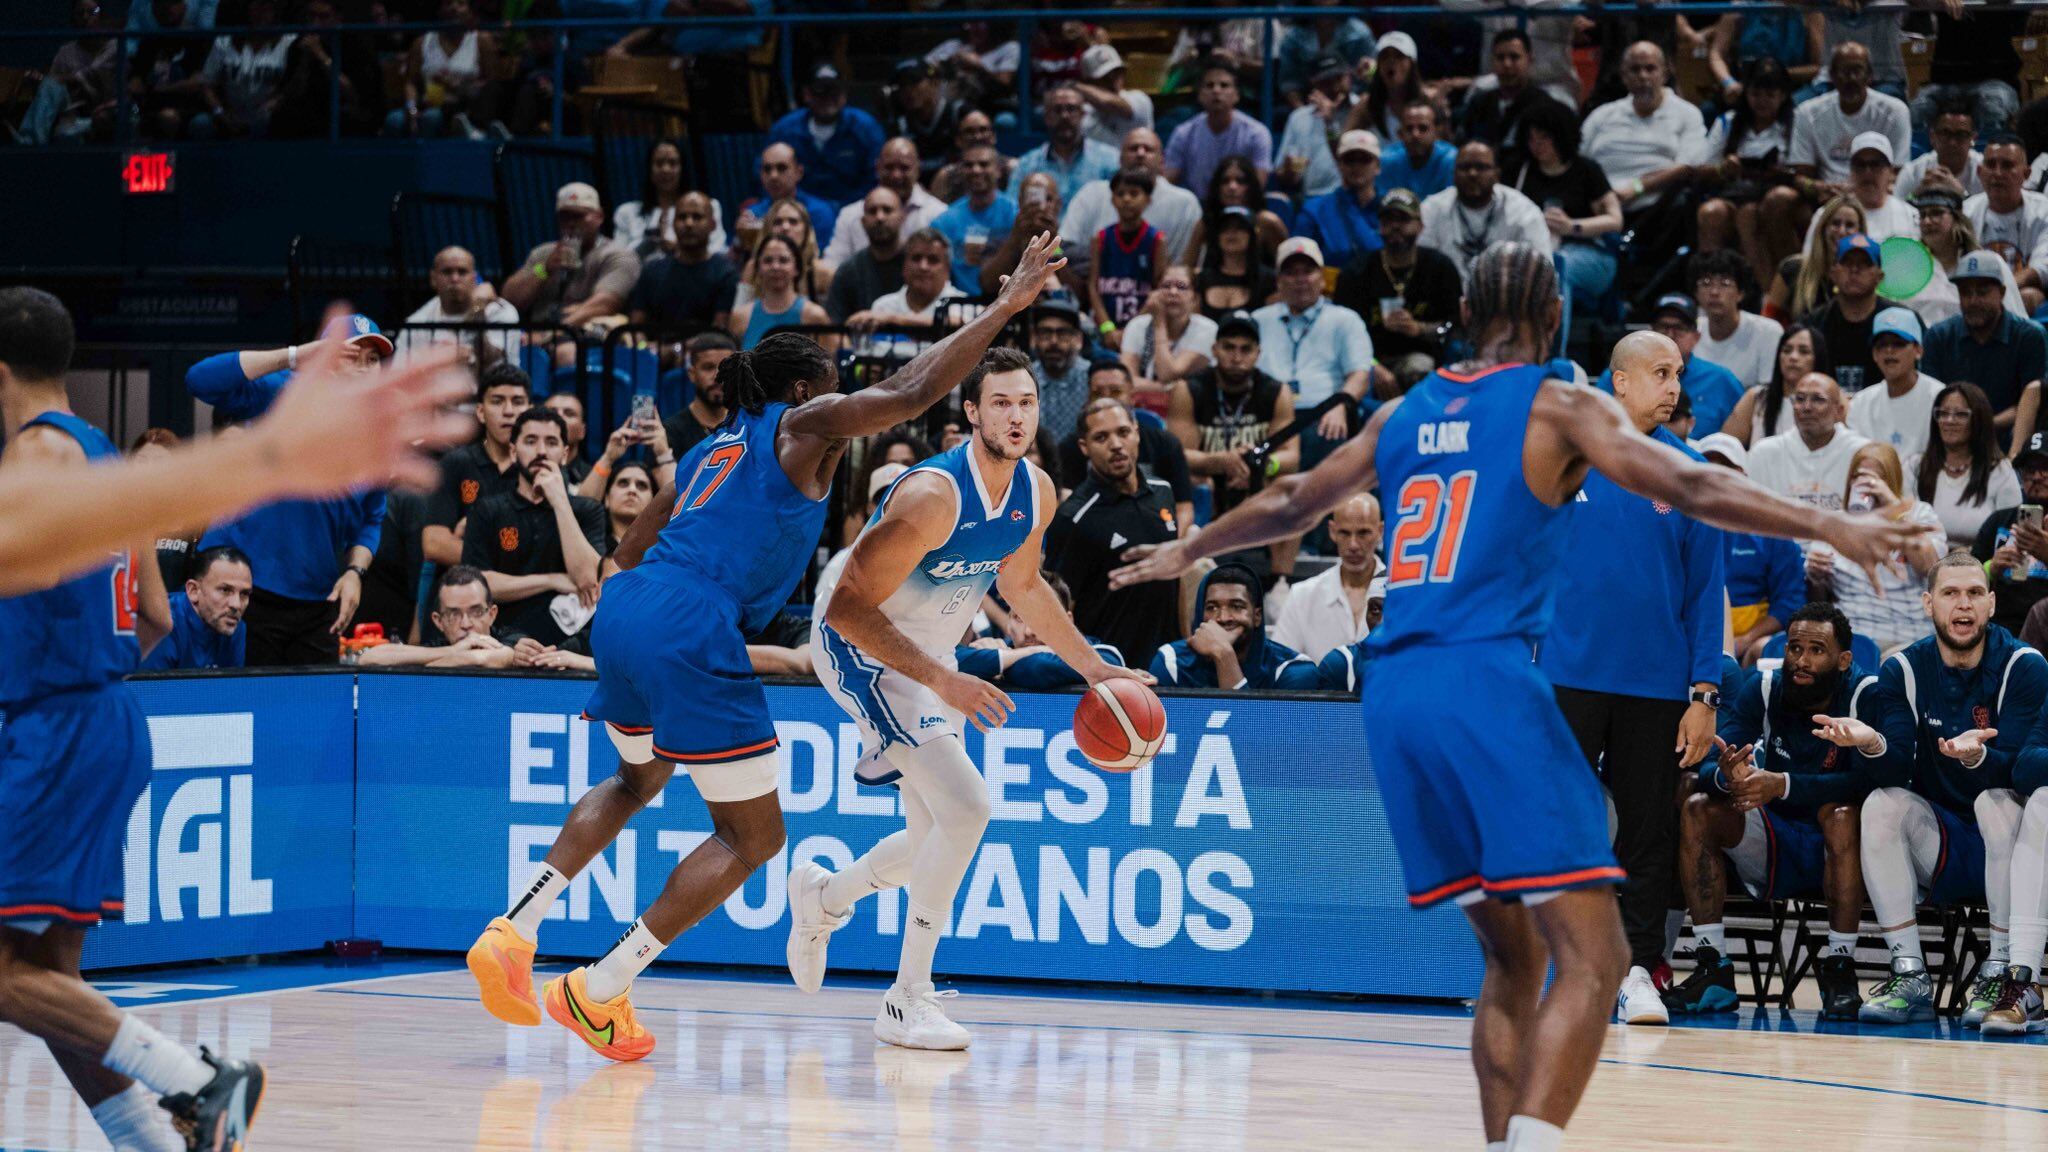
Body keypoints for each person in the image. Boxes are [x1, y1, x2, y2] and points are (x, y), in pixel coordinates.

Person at [1107, 244, 1924, 1152]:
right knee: (1600, 955)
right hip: (1485, 677)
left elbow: (1295, 497)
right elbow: (1688, 480)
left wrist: (1188, 550)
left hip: (1395, 694)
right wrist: (1829, 522)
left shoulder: (1409, 408)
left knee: (1511, 958)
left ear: (1461, 306)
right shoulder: (1555, 401)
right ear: (1550, 315)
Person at [463, 234, 1067, 1060]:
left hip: (629, 607)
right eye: (830, 392)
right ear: (800, 389)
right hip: (690, 620)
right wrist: (1003, 308)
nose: (843, 411)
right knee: (754, 839)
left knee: (636, 779)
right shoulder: (800, 424)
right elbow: (910, 388)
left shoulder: (709, 448)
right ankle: (598, 989)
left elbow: (627, 556)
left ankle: (514, 929)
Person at [792, 347, 1149, 1048]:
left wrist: (1095, 671)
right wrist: (941, 678)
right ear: (971, 413)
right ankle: (906, 998)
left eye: (1027, 404)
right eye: (1002, 404)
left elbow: (1023, 587)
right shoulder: (931, 496)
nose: (1017, 417)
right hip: (863, 650)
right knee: (969, 806)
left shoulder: (1036, 490)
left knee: (936, 835)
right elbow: (844, 609)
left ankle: (823, 897)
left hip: (933, 656)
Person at [0, 285, 265, 1152]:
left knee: (6, 974)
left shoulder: (36, 456)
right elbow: (155, 616)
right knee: (47, 983)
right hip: (108, 714)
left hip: (59, 725)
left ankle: (198, 1080)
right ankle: (151, 1142)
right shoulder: (107, 462)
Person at [1545, 332, 1728, 1026]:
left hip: (1656, 686)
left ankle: (1635, 972)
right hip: (1565, 675)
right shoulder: (1565, 462)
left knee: (1646, 835)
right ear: (1617, 382)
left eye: (1678, 372)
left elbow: (1705, 595)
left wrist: (1703, 696)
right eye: (1658, 372)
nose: (1673, 384)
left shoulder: (1690, 473)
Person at [1813, 555, 2042, 1026]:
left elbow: (2022, 770)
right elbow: (1896, 764)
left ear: (1993, 604)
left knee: (1994, 801)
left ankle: (1999, 968)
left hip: (2019, 846)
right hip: (1945, 844)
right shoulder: (1902, 669)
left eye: (1975, 594)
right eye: (1951, 593)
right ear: (1927, 603)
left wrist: (1977, 758)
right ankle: (1911, 974)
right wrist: (1872, 742)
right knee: (1880, 804)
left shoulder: (2025, 665)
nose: (1964, 605)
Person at [1665, 604, 1874, 1021]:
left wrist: (1784, 784)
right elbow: (1709, 761)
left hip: (1847, 847)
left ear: (1844, 660)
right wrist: (1727, 776)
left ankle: (1839, 967)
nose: (1801, 660)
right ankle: (1714, 967)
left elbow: (1873, 782)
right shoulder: (1763, 689)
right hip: (1776, 834)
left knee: (1841, 813)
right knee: (1698, 805)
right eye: (1795, 647)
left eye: (1817, 650)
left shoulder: (1866, 695)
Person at [187, 318, 394, 665]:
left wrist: (355, 572)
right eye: (350, 356)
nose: (363, 369)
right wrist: (295, 357)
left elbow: (371, 518)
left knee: (315, 711)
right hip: (246, 592)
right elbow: (199, 380)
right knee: (243, 708)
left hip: (318, 602)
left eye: (372, 360)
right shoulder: (285, 392)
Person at [1047, 399, 1185, 668]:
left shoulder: (1163, 492)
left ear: (1137, 432)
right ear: (1084, 447)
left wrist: (1184, 640)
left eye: (1123, 432)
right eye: (1101, 437)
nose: (1116, 445)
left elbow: (1174, 579)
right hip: (1111, 670)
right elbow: (1058, 609)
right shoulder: (1073, 518)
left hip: (1166, 665)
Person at [459, 407, 605, 646]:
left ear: (565, 454)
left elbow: (589, 580)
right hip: (503, 639)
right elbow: (477, 585)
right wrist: (550, 580)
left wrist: (560, 501)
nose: (541, 451)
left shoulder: (587, 510)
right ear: (514, 452)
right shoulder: (487, 510)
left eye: (551, 442)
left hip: (570, 643)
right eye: (530, 441)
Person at [1772, 42, 1911, 264]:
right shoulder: (1807, 112)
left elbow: (1898, 171)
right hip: (1826, 197)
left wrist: (1857, 190)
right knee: (1779, 200)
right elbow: (1800, 174)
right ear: (1832, 76)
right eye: (1844, 72)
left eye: (1857, 70)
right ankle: (1792, 280)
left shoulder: (1895, 110)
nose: (1851, 78)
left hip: (1879, 191)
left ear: (1870, 76)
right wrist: (1818, 187)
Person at [1169, 311, 1297, 539]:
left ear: (1258, 354)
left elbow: (1291, 456)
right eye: (1229, 347)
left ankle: (1281, 575)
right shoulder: (1188, 390)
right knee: (1192, 482)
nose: (1237, 357)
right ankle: (1186, 564)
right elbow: (1178, 456)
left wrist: (1258, 465)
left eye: (1246, 349)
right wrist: (1219, 462)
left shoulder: (1276, 392)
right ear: (1214, 350)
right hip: (1208, 475)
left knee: (1288, 486)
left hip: (1257, 478)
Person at [1811, 442, 1947, 652]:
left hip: (1907, 636)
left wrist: (1895, 509)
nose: (1868, 485)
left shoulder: (1919, 514)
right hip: (1852, 637)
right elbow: (1818, 600)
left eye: (1877, 478)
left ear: (1892, 480)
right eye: (1859, 477)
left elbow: (1930, 568)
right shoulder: (1835, 523)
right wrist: (1816, 576)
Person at [1252, 238, 1373, 469]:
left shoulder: (1345, 320)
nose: (1300, 280)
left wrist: (1340, 405)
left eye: (1308, 271)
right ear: (1278, 281)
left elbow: (1360, 375)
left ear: (1322, 278)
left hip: (1321, 412)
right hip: (1267, 415)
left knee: (1331, 432)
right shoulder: (1258, 320)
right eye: (1290, 273)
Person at [1578, 41, 1705, 260]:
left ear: (1665, 73)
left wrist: (1636, 188)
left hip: (1656, 208)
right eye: (1635, 70)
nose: (1643, 76)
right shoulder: (1602, 115)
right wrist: (1603, 196)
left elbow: (1687, 166)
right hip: (1600, 207)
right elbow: (1577, 162)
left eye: (1650, 68)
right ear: (1624, 75)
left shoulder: (1687, 113)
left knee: (1684, 201)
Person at [1333, 189, 1460, 391]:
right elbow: (1341, 335)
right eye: (1388, 220)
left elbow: (1454, 326)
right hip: (1367, 362)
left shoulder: (1439, 268)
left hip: (1422, 361)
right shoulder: (1356, 273)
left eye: (1403, 219)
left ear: (1420, 226)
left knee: (1419, 368)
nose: (1395, 227)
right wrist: (1372, 366)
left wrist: (1420, 329)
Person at [1698, 434, 1806, 664]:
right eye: (1707, 466)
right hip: (1696, 632)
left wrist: (1745, 640)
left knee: (1765, 648)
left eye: (1726, 467)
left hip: (1752, 641)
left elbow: (1789, 600)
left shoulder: (1771, 529)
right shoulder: (1682, 524)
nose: (1716, 473)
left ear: (1743, 475)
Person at [1923, 250, 2048, 440]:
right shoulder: (1938, 336)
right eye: (1966, 293)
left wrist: (1983, 425)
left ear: (2002, 293)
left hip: (2011, 440)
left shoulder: (2029, 336)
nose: (1973, 301)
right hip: (1950, 439)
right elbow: (1931, 399)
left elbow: (2033, 401)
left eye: (1982, 292)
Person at [1693, 56, 1798, 280]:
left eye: (1770, 95)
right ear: (1746, 93)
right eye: (1755, 94)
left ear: (1783, 95)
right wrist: (1724, 169)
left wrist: (1779, 172)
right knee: (1710, 213)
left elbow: (1804, 169)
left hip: (1772, 198)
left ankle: (1767, 293)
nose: (1762, 101)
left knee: (1748, 215)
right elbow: (1701, 170)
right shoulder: (1728, 121)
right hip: (1734, 193)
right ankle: (1709, 283)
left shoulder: (1795, 124)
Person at [1512, 98, 1622, 311]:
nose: (1537, 145)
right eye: (1531, 138)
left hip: (1587, 251)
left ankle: (1554, 340)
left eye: (1544, 138)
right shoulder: (1520, 172)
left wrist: (1571, 226)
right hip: (1535, 247)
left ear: (1561, 135)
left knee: (1555, 265)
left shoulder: (1587, 170)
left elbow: (1615, 220)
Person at [1061, 129, 1203, 286]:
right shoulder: (1091, 193)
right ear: (1119, 159)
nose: (1140, 154)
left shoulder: (1185, 203)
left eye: (1148, 149)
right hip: (1094, 291)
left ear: (1162, 160)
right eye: (1133, 148)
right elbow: (1063, 249)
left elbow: (1186, 266)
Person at [1593, 295, 1746, 441]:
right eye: (1663, 326)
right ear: (1651, 331)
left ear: (1696, 337)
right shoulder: (1621, 374)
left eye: (1680, 327)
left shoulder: (1722, 380)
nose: (1670, 334)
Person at [1151, 561, 1317, 689]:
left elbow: (1248, 733)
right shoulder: (1172, 663)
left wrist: (1224, 655)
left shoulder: (1293, 671)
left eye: (1236, 606)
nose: (1223, 617)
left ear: (1257, 616)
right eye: (1212, 607)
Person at [501, 183, 641, 332]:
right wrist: (544, 270)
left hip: (583, 336)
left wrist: (551, 335)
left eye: (579, 216)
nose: (571, 223)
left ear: (599, 217)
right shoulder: (544, 254)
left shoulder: (617, 255)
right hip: (535, 336)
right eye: (564, 217)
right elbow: (509, 300)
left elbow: (604, 304)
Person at [1419, 142, 1551, 285]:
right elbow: (1419, 268)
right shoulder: (1431, 209)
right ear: (1453, 173)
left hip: (1507, 298)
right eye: (1464, 167)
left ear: (1496, 174)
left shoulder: (1524, 212)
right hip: (1448, 299)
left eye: (1481, 167)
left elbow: (1542, 273)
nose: (1472, 174)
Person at [1271, 494, 1380, 661]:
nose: (1353, 545)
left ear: (1380, 532)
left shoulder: (1402, 592)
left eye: (1363, 533)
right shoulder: (1302, 596)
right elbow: (1281, 666)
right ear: (1332, 531)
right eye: (1344, 533)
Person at [1748, 372, 1869, 520]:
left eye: (1818, 399)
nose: (1806, 407)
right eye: (1800, 399)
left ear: (1839, 411)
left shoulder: (1861, 453)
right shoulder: (1764, 453)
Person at [357, 565, 527, 669]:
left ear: (492, 614)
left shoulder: (511, 639)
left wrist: (431, 666)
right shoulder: (439, 648)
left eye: (475, 612)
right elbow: (369, 658)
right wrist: (453, 651)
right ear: (438, 621)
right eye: (454, 614)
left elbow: (483, 659)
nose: (466, 624)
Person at [769, 63, 885, 211]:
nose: (828, 97)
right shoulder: (784, 130)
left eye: (834, 91)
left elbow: (875, 178)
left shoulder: (866, 128)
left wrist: (844, 209)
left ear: (844, 94)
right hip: (796, 211)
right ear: (806, 94)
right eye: (820, 91)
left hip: (856, 211)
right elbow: (765, 174)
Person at [626, 192, 740, 341]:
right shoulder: (651, 270)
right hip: (654, 358)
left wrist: (677, 351)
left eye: (697, 217)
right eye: (682, 217)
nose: (688, 224)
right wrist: (646, 350)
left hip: (704, 359)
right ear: (673, 224)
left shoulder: (725, 272)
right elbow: (636, 328)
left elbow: (719, 332)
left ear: (713, 225)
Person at [1458, 29, 1568, 180]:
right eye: (1500, 58)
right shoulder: (1479, 101)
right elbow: (1463, 142)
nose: (1507, 64)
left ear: (1530, 59)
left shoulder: (1544, 106)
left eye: (1514, 57)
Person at [1971, 428, 2048, 636]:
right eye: (2029, 470)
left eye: (2045, 468)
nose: (2036, 477)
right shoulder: (1999, 521)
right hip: (1998, 627)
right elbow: (1966, 574)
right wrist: (1992, 567)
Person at [825, 138, 946, 267]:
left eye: (904, 168)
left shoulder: (939, 214)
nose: (896, 175)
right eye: (889, 167)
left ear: (918, 169)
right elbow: (832, 267)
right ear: (877, 167)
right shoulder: (850, 216)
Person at [384, 0, 497, 139]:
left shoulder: (481, 40)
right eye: (449, 3)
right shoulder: (422, 42)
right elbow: (410, 82)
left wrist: (459, 86)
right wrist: (411, 108)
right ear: (440, 11)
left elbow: (491, 83)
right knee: (394, 120)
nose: (454, 8)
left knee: (432, 118)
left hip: (464, 107)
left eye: (461, 3)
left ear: (470, 12)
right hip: (426, 104)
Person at [1163, 64, 1273, 203]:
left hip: (1242, 205)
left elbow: (1258, 185)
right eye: (1209, 85)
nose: (1216, 90)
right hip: (1198, 207)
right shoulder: (1183, 133)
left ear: (1237, 95)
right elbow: (1168, 182)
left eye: (1224, 85)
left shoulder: (1256, 133)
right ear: (1200, 95)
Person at [1964, 135, 2048, 314]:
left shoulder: (2044, 211)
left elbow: (2042, 268)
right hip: (1972, 292)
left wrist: (1998, 291)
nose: (1998, 173)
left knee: (2029, 296)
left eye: (2007, 165)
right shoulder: (1965, 211)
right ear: (1980, 172)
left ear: (2026, 174)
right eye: (1991, 165)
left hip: (2022, 292)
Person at [397, 245, 520, 365]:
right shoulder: (416, 323)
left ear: (474, 278)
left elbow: (489, 360)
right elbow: (398, 372)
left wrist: (477, 310)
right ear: (433, 278)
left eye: (462, 272)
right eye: (447, 272)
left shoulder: (501, 312)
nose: (455, 278)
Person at [1089, 169, 1169, 351]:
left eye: (1134, 193)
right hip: (1104, 329)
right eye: (1120, 194)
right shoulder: (1100, 238)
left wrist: (1130, 330)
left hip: (1142, 327)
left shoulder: (1157, 240)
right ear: (1112, 199)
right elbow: (1092, 286)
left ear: (1148, 200)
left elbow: (1157, 290)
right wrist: (1107, 328)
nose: (1126, 199)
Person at [1847, 307, 1942, 459]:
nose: (1889, 351)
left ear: (1918, 350)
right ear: (1874, 354)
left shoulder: (1939, 398)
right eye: (1882, 345)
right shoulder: (1860, 403)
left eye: (1898, 344)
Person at [137, 545, 250, 672]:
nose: (236, 605)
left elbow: (231, 688)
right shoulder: (161, 626)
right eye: (225, 590)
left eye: (244, 594)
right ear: (193, 591)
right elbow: (151, 691)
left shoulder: (236, 627)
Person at [1120, 265, 1215, 415]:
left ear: (1195, 298)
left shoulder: (1206, 329)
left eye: (1181, 287)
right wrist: (1168, 388)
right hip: (1142, 409)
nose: (1173, 292)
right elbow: (1126, 381)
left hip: (1192, 412)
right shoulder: (1137, 326)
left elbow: (1168, 373)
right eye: (1166, 285)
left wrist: (1159, 324)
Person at [1010, 83, 1121, 207]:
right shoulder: (1027, 166)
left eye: (1071, 109)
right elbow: (1014, 210)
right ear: (1046, 117)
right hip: (1044, 227)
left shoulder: (1110, 160)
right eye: (1057, 110)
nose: (1064, 116)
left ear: (1082, 115)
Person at [614, 140, 726, 262]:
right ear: (649, 169)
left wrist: (681, 250)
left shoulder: (707, 207)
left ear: (683, 169)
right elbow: (619, 262)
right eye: (659, 163)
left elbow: (718, 252)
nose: (665, 169)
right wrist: (648, 244)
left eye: (673, 163)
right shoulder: (627, 212)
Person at [1803, 232, 1885, 395]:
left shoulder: (1900, 322)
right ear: (1833, 273)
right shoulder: (1811, 325)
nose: (1854, 270)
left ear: (1879, 276)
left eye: (1864, 263)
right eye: (1847, 262)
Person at [1691, 249, 1783, 393]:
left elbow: (1769, 395)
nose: (1714, 292)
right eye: (1706, 283)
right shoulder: (1690, 332)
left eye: (1725, 283)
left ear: (1741, 293)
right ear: (1696, 293)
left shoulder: (1769, 332)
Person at [1294, 130, 1385, 273]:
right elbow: (1299, 262)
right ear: (1339, 164)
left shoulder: (1393, 210)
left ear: (1378, 166)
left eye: (1364, 159)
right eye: (1350, 159)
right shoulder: (1315, 210)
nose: (1356, 166)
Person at [1766, 195, 1866, 323]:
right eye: (1835, 223)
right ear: (1823, 228)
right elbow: (1769, 324)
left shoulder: (1868, 278)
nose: (1841, 231)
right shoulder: (1792, 269)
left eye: (1849, 225)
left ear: (1860, 233)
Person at [932, 146, 1018, 293]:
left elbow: (1055, 250)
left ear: (998, 170)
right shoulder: (943, 222)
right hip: (960, 303)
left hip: (1009, 301)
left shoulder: (1016, 213)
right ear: (961, 172)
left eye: (984, 164)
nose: (976, 170)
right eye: (968, 165)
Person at [728, 235, 834, 352]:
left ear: (797, 268)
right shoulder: (740, 317)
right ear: (758, 268)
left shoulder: (815, 315)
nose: (775, 266)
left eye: (783, 260)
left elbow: (829, 365)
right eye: (768, 260)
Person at [732, 143, 839, 258]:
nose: (773, 176)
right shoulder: (752, 213)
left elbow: (823, 258)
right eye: (767, 169)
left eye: (781, 168)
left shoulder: (819, 212)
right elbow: (734, 261)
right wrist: (739, 241)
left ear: (799, 173)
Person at [1274, 54, 1357, 201]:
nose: (1335, 87)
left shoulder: (1362, 109)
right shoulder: (1299, 118)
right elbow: (1285, 175)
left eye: (1338, 78)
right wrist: (1289, 172)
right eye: (1326, 82)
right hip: (1314, 199)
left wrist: (1330, 122)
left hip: (1356, 195)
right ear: (1314, 84)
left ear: (1349, 76)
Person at [825, 188, 909, 322]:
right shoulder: (848, 271)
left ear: (902, 217)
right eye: (872, 211)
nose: (880, 217)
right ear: (863, 221)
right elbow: (835, 327)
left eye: (887, 210)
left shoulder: (921, 263)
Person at [1027, 301, 1092, 456]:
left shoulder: (1093, 379)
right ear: (1034, 338)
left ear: (1078, 340)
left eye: (1063, 333)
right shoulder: (1023, 379)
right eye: (1045, 333)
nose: (1053, 341)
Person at [884, 60, 963, 181]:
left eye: (914, 82)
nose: (908, 90)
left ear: (935, 82)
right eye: (902, 85)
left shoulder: (959, 114)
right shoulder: (899, 126)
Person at [1898, 100, 1982, 202]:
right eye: (1945, 133)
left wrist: (1962, 194)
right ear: (1932, 136)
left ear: (1973, 139)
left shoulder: (1985, 169)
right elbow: (1897, 209)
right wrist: (1917, 194)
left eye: (1961, 135)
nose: (1952, 142)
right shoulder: (1913, 172)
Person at [1377, 100, 1458, 203]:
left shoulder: (1451, 160)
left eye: (1423, 128)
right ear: (1400, 133)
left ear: (1436, 131)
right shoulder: (1386, 161)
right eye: (1409, 128)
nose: (1415, 134)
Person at [1076, 44, 1151, 152]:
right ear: (1089, 82)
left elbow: (1107, 102)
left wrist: (1075, 86)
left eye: (1117, 72)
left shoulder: (1139, 98)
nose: (1114, 80)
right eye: (1105, 77)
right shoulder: (1082, 112)